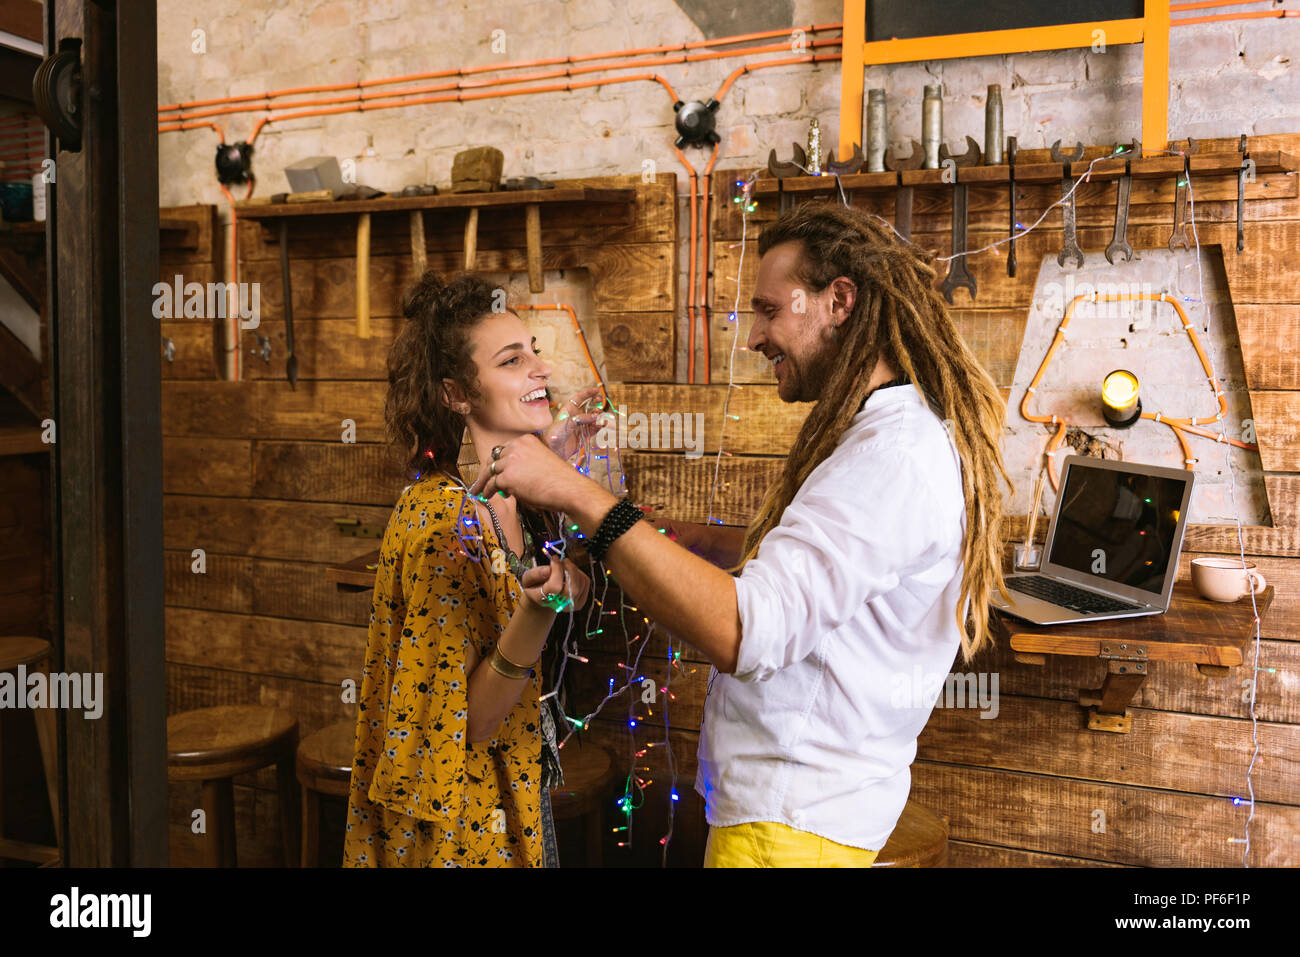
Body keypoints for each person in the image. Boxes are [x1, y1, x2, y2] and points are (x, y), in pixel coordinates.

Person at [473, 202, 1011, 867]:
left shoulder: (890, 458)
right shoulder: (888, 435)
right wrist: (651, 532)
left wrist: (578, 495)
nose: (754, 336)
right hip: (799, 815)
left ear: (838, 300)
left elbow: (745, 629)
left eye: (768, 310)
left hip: (791, 829)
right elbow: (795, 567)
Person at [343, 271, 598, 868]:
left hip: (522, 793)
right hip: (464, 827)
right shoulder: (442, 522)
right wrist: (543, 609)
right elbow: (474, 721)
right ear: (457, 394)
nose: (541, 369)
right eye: (513, 360)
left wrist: (573, 494)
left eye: (534, 352)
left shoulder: (514, 500)